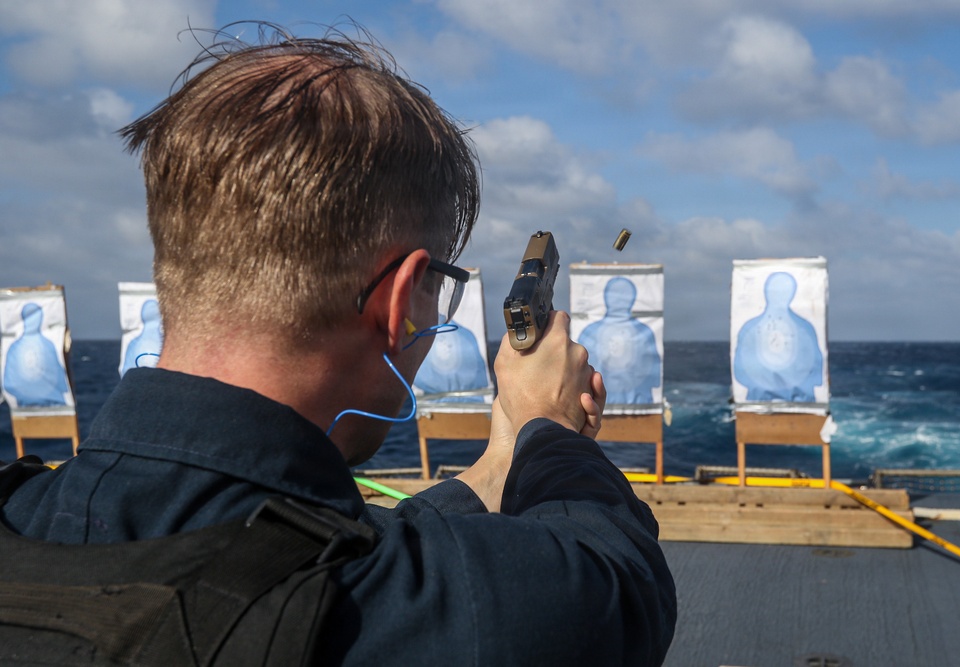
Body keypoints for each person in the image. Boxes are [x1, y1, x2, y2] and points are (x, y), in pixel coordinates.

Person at [0, 23, 676, 665]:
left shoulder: (22, 514)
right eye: (438, 286)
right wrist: (548, 427)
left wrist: (500, 462)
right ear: (403, 298)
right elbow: (615, 584)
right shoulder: (398, 606)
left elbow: (286, 541)